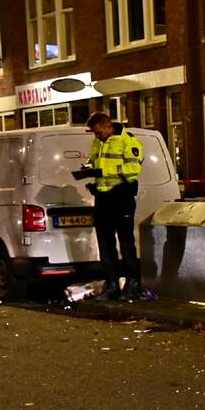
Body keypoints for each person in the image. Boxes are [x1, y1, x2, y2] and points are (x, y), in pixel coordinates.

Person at [72, 111, 144, 301]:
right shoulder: (98, 142)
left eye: (98, 132)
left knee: (126, 242)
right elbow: (93, 161)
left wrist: (104, 171)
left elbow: (134, 168)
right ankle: (112, 284)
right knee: (105, 242)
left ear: (108, 126)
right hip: (102, 198)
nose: (96, 136)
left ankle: (133, 284)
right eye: (94, 133)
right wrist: (87, 169)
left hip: (121, 196)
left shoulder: (128, 141)